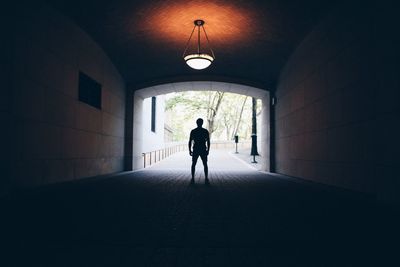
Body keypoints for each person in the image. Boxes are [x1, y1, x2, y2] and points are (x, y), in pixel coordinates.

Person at [188, 118, 210, 183]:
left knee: (193, 164)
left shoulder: (193, 131)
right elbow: (208, 141)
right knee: (205, 163)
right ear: (202, 123)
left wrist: (189, 150)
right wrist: (208, 150)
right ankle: (206, 177)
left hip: (196, 148)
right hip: (203, 148)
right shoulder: (205, 131)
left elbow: (190, 141)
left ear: (196, 123)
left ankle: (192, 178)